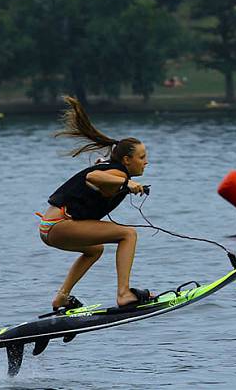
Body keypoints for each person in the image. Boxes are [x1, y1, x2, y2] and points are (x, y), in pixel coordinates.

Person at [37, 96, 151, 313]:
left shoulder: (112, 168)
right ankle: (124, 294)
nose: (146, 162)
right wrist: (127, 182)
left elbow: (100, 173)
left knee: (95, 250)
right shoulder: (117, 172)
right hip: (60, 224)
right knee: (128, 234)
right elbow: (93, 178)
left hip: (49, 227)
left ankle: (61, 298)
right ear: (127, 160)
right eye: (142, 157)